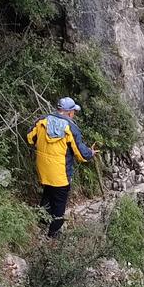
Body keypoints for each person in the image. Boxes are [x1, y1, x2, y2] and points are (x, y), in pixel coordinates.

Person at [27, 97, 96, 238]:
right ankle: (54, 233)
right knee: (59, 202)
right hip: (60, 173)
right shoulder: (70, 127)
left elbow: (29, 137)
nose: (74, 115)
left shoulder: (42, 121)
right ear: (69, 112)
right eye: (73, 112)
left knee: (48, 192)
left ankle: (42, 221)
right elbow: (81, 154)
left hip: (43, 169)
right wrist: (91, 153)